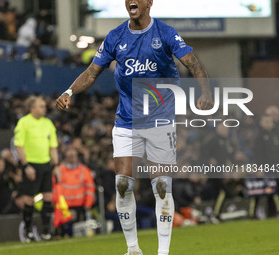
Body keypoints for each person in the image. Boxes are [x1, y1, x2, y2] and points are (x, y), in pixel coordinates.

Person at [56, 1, 213, 254]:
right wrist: (69, 91)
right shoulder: (115, 37)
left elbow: (192, 62)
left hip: (160, 120)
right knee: (123, 184)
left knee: (161, 186)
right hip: (126, 121)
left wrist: (205, 92)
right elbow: (92, 72)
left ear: (149, 2)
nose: (132, 1)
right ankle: (133, 249)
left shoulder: (165, 33)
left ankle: (163, 252)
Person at [14, 96, 59, 242]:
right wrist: (26, 165)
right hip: (31, 164)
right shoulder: (24, 122)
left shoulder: (48, 123)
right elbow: (19, 145)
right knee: (29, 199)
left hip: (45, 164)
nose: (44, 109)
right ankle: (28, 232)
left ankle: (46, 231)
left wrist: (56, 164)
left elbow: (53, 145)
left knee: (48, 197)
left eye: (45, 106)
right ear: (32, 108)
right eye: (41, 106)